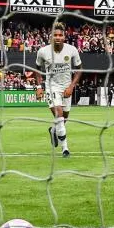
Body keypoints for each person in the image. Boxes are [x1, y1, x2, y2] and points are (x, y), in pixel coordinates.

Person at [34, 23, 83, 158]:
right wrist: (39, 87)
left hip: (66, 87)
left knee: (64, 118)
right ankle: (65, 149)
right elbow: (37, 69)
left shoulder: (72, 50)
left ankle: (53, 130)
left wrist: (71, 86)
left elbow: (79, 69)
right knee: (59, 114)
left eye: (60, 35)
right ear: (51, 37)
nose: (58, 37)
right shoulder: (43, 51)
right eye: (55, 35)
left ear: (64, 37)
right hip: (51, 87)